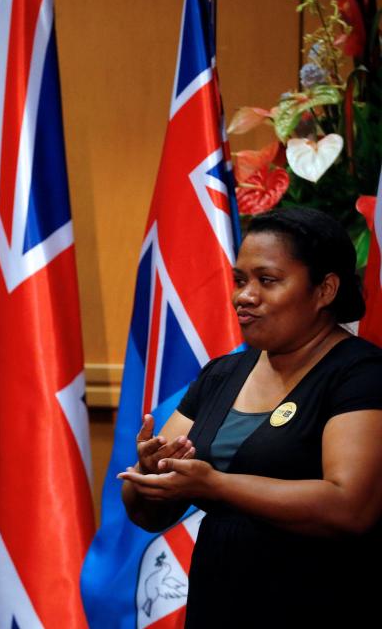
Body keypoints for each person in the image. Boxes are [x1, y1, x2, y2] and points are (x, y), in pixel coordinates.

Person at [119, 207, 382, 627]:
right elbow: (149, 514)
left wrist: (215, 484)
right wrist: (150, 475)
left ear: (325, 290)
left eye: (267, 280)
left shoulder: (360, 374)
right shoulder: (223, 374)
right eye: (240, 280)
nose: (244, 295)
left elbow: (350, 506)